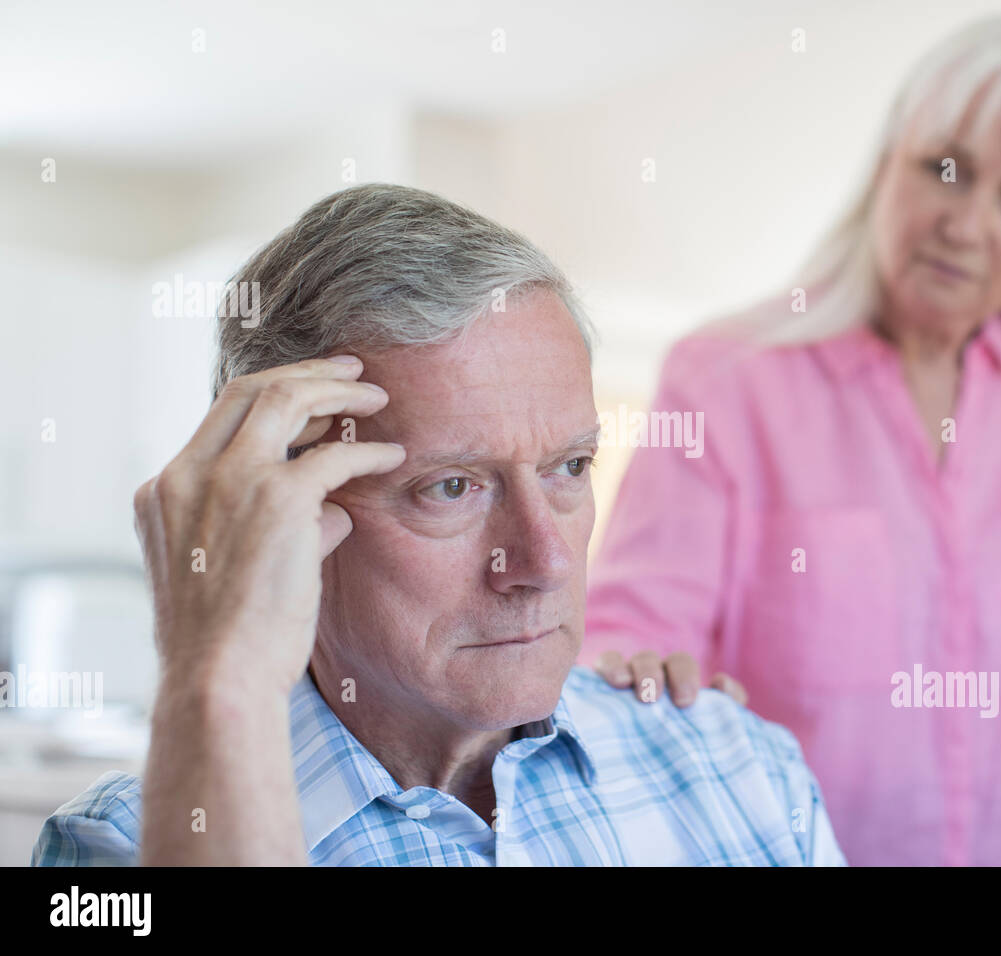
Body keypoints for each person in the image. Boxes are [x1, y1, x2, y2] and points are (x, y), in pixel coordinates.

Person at [31, 184, 845, 867]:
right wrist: (218, 677)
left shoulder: (738, 764)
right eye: (451, 487)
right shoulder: (121, 847)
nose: (544, 560)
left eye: (570, 468)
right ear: (278, 513)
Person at [583, 15, 1001, 866]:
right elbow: (630, 651)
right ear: (889, 163)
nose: (966, 223)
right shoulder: (725, 379)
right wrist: (641, 680)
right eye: (944, 170)